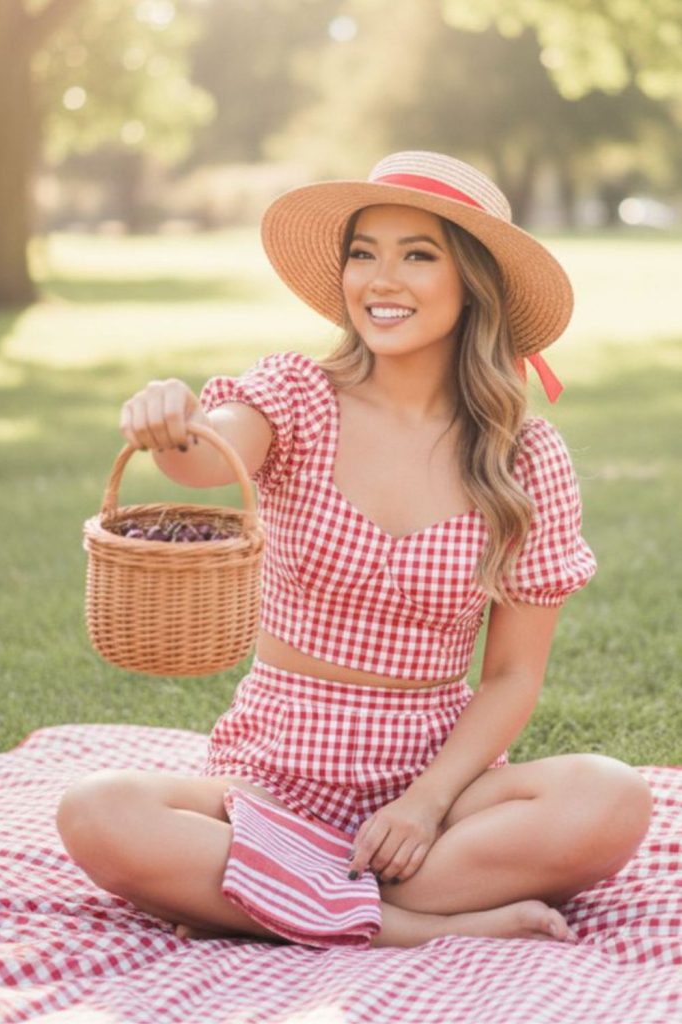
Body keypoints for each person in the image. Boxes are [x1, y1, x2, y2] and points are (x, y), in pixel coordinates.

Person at [57, 150, 652, 948]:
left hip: (432, 789)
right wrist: (172, 419)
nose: (381, 279)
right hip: (269, 775)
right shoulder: (297, 395)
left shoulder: (524, 459)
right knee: (98, 813)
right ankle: (402, 924)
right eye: (363, 254)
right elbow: (203, 456)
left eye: (417, 255)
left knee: (611, 799)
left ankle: (283, 896)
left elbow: (512, 676)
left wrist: (426, 802)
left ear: (471, 280)